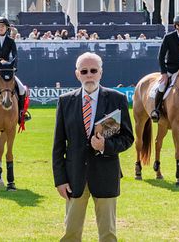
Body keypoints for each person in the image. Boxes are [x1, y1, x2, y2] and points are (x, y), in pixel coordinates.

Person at [52, 52, 134, 242]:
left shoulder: (117, 99)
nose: (89, 75)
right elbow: (58, 145)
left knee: (108, 234)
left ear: (100, 73)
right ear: (77, 74)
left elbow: (128, 138)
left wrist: (106, 145)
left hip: (106, 175)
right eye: (84, 71)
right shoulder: (65, 101)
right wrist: (60, 179)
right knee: (70, 233)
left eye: (93, 71)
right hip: (74, 178)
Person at [151, 13, 179, 122]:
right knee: (162, 86)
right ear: (177, 26)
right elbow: (161, 56)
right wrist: (164, 73)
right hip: (171, 70)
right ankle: (156, 111)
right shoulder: (168, 37)